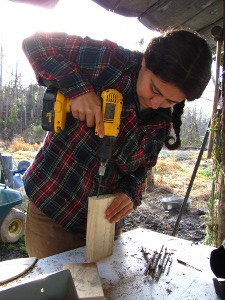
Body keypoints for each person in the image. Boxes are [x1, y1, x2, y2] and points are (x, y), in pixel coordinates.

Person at [22, 29, 212, 258]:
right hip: (53, 204)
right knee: (57, 290)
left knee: (102, 290)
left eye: (169, 100)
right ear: (145, 61)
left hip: (104, 220)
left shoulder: (161, 121)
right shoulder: (108, 61)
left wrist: (131, 194)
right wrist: (78, 88)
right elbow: (35, 44)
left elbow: (143, 168)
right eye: (154, 89)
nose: (155, 103)